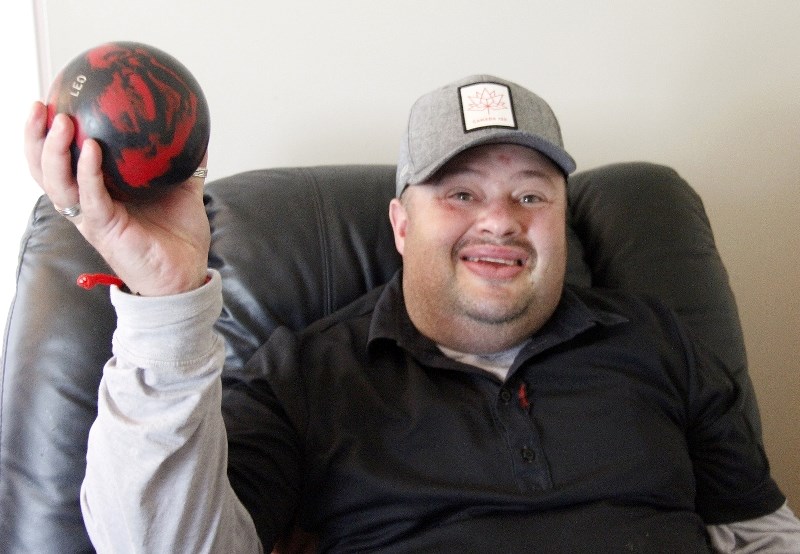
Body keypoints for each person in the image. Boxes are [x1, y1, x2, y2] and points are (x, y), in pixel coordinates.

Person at [25, 74, 800, 552]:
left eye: (532, 195)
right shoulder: (305, 376)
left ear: (563, 220)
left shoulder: (657, 340)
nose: (500, 220)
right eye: (460, 193)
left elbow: (759, 533)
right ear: (401, 224)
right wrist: (167, 304)